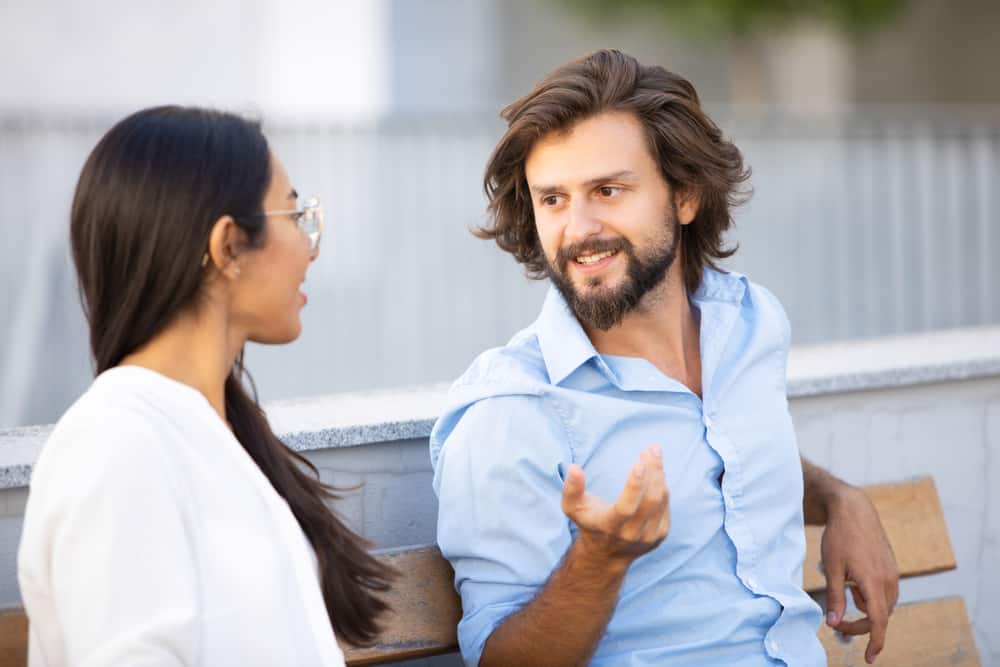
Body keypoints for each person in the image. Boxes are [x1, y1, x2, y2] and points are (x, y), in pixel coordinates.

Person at [430, 50, 898, 666]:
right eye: (553, 199)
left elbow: (717, 448)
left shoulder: (750, 325)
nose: (578, 228)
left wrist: (840, 498)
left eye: (608, 190)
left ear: (685, 196)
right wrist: (603, 558)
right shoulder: (511, 412)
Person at [17, 106, 392, 666]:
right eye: (295, 214)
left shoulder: (206, 430)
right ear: (228, 246)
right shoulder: (116, 446)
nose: (311, 246)